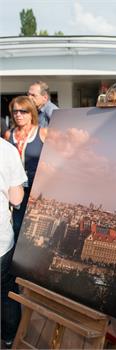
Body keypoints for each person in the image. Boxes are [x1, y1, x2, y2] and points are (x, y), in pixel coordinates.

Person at [4, 96, 47, 242]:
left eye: (23, 111)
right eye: (15, 111)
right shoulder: (9, 135)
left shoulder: (43, 133)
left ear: (31, 113)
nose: (18, 115)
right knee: (17, 226)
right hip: (16, 188)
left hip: (37, 190)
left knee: (36, 229)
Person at [0, 138, 27, 348]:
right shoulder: (6, 150)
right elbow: (17, 199)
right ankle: (10, 338)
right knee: (7, 292)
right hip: (1, 243)